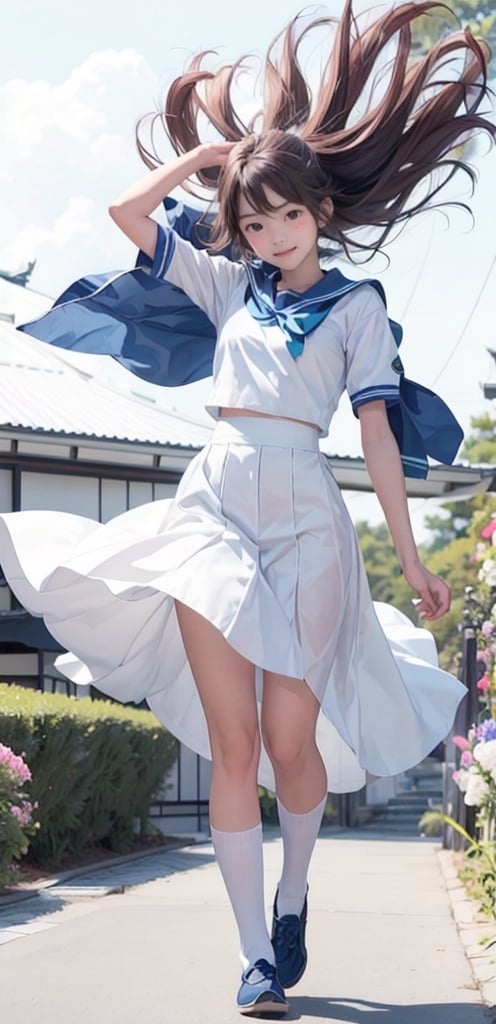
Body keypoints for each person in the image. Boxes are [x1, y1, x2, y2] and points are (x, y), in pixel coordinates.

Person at [0, 1, 494, 1016]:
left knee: (287, 746)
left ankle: (293, 898)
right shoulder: (229, 285)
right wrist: (207, 162)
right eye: (254, 217)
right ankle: (253, 957)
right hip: (212, 508)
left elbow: (376, 440)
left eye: (286, 215)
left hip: (312, 521)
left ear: (321, 212)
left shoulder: (357, 312)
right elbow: (127, 218)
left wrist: (408, 557)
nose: (270, 234)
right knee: (229, 748)